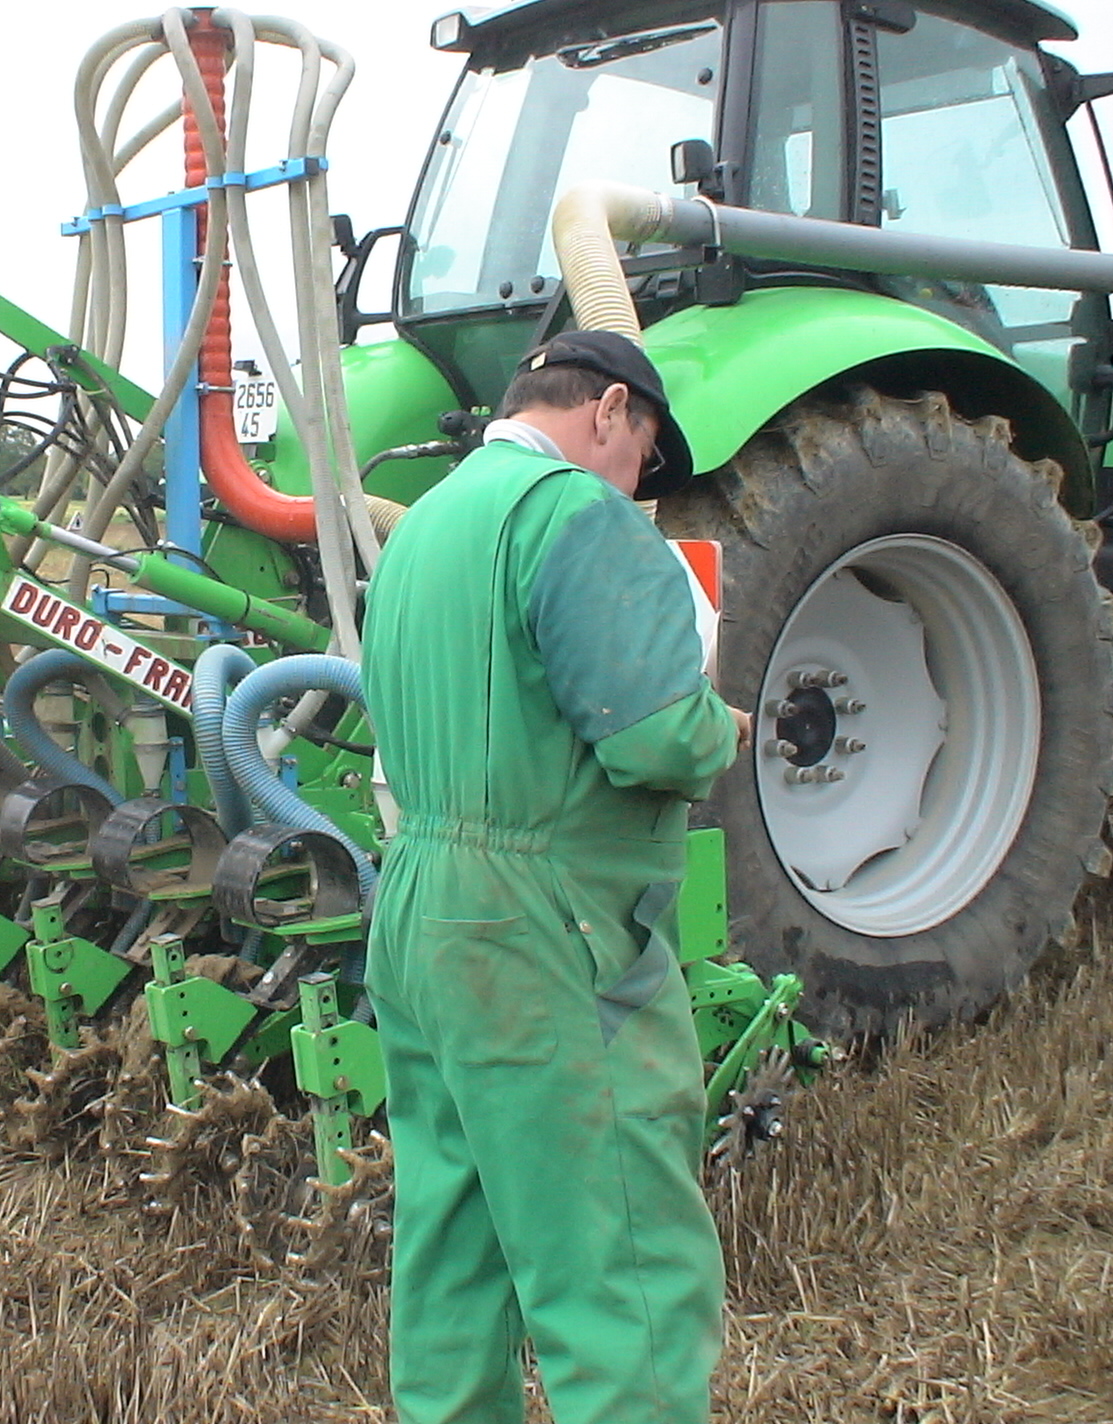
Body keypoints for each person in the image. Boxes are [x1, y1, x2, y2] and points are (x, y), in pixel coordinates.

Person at [362, 329, 751, 1424]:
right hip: (550, 925)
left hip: (421, 911)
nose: (638, 488)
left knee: (453, 1245)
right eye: (643, 456)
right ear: (612, 412)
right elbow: (654, 742)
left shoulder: (424, 526)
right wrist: (717, 730)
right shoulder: (575, 514)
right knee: (620, 1263)